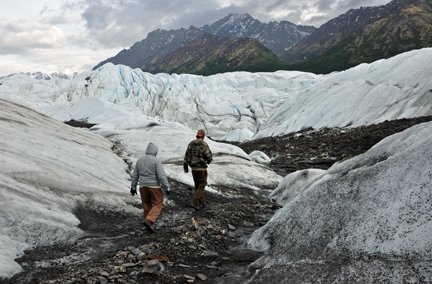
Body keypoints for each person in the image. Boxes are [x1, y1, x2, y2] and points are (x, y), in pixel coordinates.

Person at [130, 142, 170, 233]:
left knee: (146, 204)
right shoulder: (156, 160)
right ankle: (149, 220)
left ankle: (148, 225)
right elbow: (161, 175)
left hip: (143, 186)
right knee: (158, 203)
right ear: (155, 151)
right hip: (154, 186)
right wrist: (167, 186)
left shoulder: (139, 160)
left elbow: (135, 175)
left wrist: (133, 187)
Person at [183, 129, 213, 210]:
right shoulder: (203, 144)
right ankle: (194, 202)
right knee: (201, 186)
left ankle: (202, 203)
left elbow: (186, 156)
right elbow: (208, 156)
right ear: (203, 135)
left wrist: (185, 167)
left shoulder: (191, 144)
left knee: (197, 186)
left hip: (193, 168)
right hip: (202, 168)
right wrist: (208, 161)